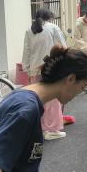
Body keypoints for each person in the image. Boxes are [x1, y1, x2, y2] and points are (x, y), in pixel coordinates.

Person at [22, 9, 67, 140]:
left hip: (34, 70)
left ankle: (39, 129)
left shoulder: (29, 30)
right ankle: (51, 130)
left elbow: (26, 51)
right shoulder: (53, 28)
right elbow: (63, 47)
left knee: (38, 100)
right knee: (52, 100)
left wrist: (27, 69)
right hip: (50, 68)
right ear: (49, 17)